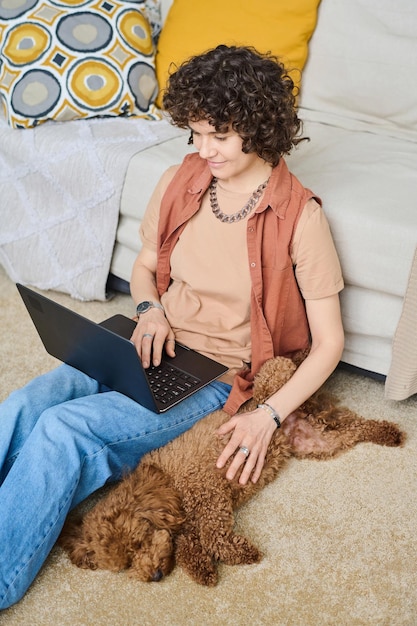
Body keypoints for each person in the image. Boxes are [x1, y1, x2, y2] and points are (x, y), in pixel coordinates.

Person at [0, 45, 344, 609]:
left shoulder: (299, 217)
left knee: (67, 431)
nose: (203, 149)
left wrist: (267, 415)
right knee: (28, 401)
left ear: (260, 128)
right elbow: (143, 268)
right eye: (195, 133)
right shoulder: (182, 178)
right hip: (145, 339)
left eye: (220, 137)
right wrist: (149, 309)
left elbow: (330, 344)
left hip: (211, 376)